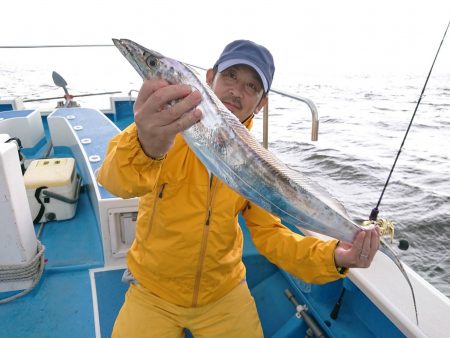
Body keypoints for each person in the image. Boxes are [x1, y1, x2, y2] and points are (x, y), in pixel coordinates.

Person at [97, 40, 380, 338]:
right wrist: (146, 145)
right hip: (152, 291)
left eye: (251, 86)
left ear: (261, 104)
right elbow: (116, 182)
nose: (236, 89)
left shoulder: (258, 164)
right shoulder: (161, 129)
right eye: (230, 75)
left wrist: (336, 256)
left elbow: (272, 235)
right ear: (209, 78)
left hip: (223, 293)